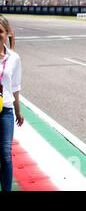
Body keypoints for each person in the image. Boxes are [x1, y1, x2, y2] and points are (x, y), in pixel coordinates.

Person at [0, 15, 23, 191]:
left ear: (7, 33)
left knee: (6, 156)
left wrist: (18, 110)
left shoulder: (14, 58)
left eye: (0, 31)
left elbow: (15, 87)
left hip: (5, 111)